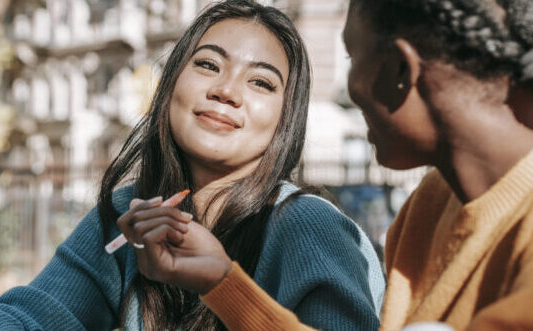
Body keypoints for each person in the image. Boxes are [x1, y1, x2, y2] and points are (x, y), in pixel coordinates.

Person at [0, 1, 384, 330]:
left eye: (261, 83)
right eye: (207, 64)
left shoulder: (308, 226)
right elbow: (41, 315)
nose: (226, 91)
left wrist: (226, 284)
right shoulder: (125, 213)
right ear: (170, 87)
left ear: (285, 119)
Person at [124, 0, 533, 330]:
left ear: (398, 71)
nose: (226, 92)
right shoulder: (431, 205)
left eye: (352, 56)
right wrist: (223, 283)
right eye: (207, 65)